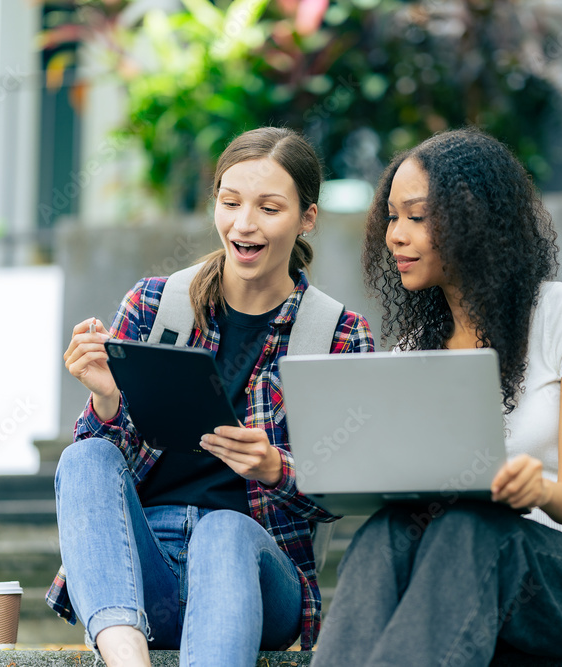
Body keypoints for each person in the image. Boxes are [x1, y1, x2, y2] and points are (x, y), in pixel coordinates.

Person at [311, 128, 562, 667]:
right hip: (463, 564)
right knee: (387, 531)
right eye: (390, 217)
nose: (395, 236)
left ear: (471, 218)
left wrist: (537, 488)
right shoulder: (412, 351)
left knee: (476, 529)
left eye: (417, 216)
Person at [47, 127, 374, 667]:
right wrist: (107, 400)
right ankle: (126, 658)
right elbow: (100, 484)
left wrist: (275, 468)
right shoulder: (154, 304)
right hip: (142, 568)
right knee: (84, 455)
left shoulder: (338, 333)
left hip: (260, 575)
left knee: (223, 531)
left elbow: (349, 489)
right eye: (231, 203)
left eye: (269, 208)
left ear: (307, 218)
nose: (245, 224)